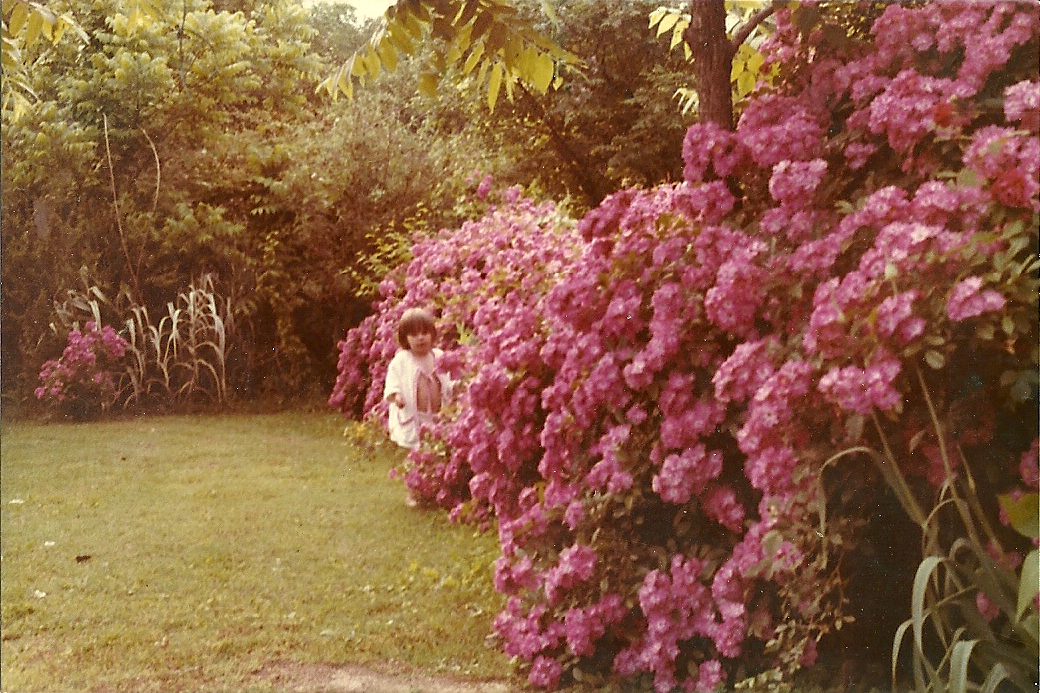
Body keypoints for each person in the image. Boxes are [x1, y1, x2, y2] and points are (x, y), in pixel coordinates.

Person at [383, 307, 453, 450]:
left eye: (424, 333)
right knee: (418, 448)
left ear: (432, 334)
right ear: (405, 339)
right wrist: (396, 395)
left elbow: (448, 379)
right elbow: (393, 381)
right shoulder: (401, 360)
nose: (420, 338)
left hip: (438, 414)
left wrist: (455, 387)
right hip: (415, 416)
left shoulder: (438, 356)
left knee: (439, 445)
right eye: (414, 335)